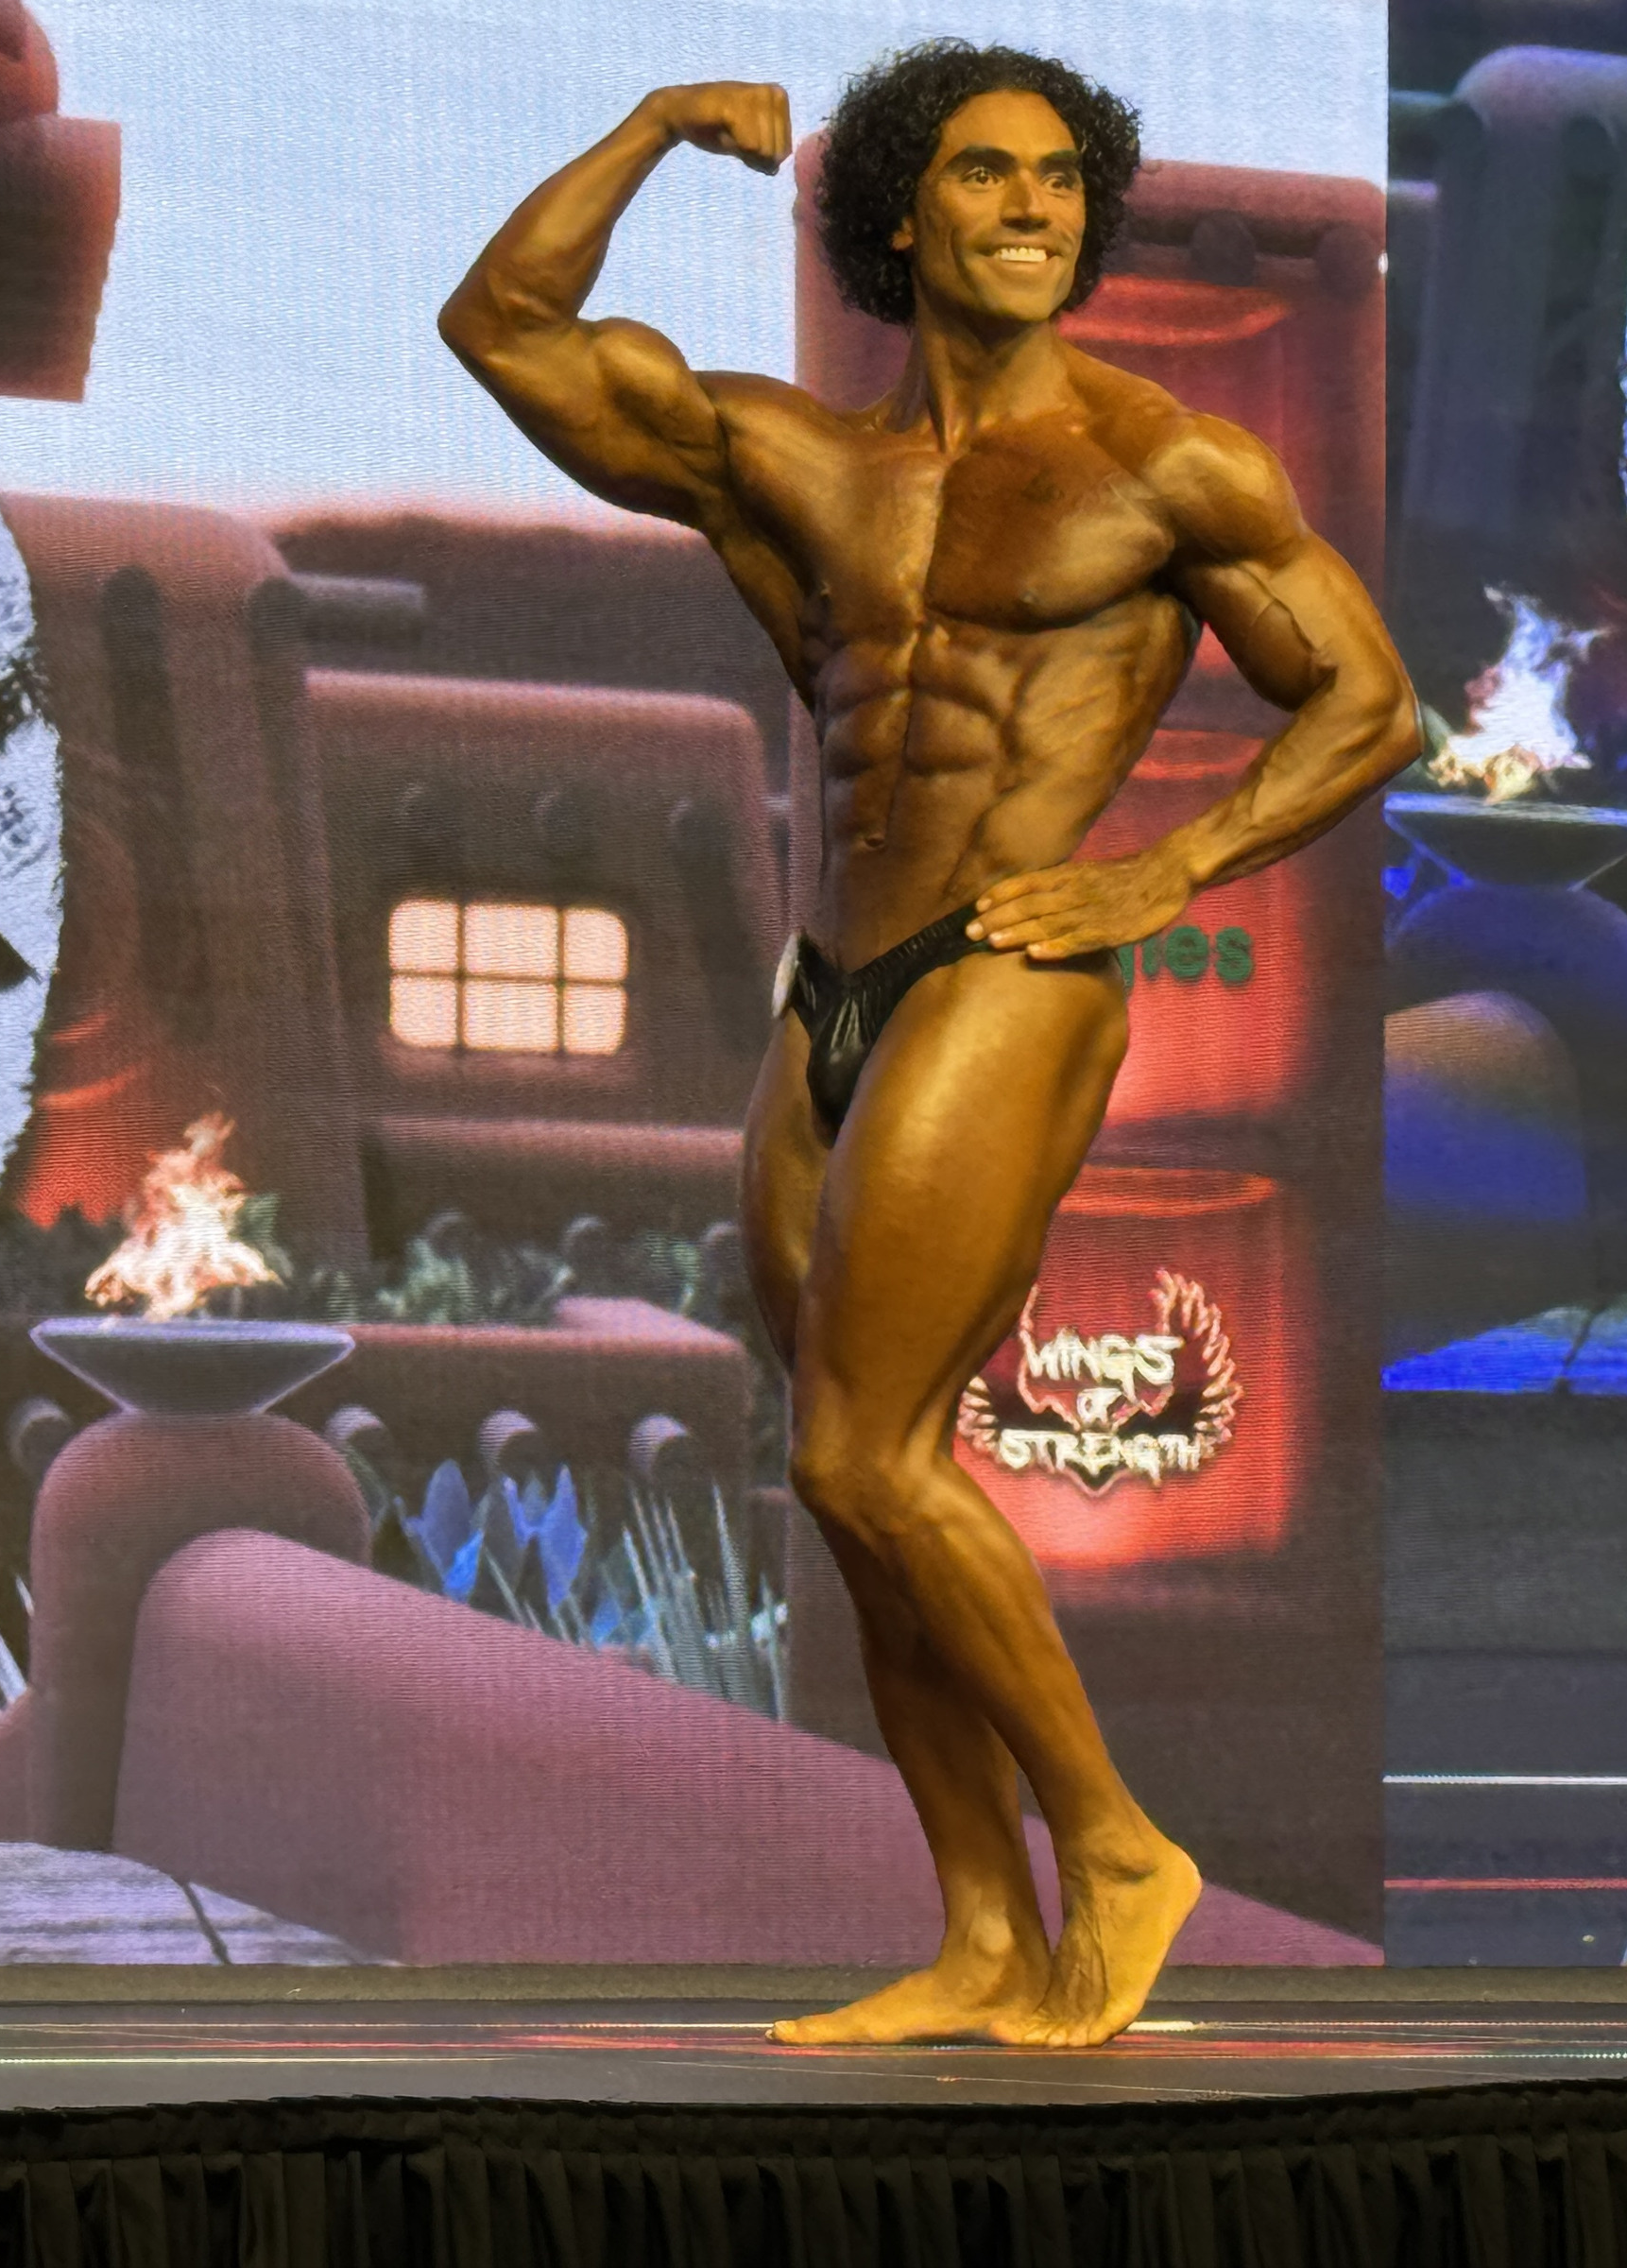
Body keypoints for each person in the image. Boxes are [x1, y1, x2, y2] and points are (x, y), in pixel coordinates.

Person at [442, 43, 1416, 2042]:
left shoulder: (1164, 464)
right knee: (862, 1501)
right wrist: (652, 126)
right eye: (987, 173)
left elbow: (1367, 702)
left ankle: (1118, 1851)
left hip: (1007, 967)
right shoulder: (798, 458)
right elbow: (504, 328)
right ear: (902, 210)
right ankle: (983, 1932)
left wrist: (1171, 871)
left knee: (861, 1450)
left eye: (1061, 178)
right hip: (831, 993)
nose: (1034, 207)